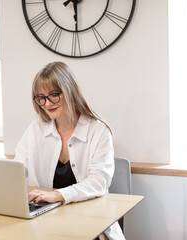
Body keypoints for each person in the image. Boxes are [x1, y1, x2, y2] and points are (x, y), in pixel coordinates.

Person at [14, 61, 125, 240]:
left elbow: (99, 181)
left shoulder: (98, 130)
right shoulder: (36, 129)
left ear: (69, 91)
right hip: (45, 221)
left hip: (90, 222)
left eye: (53, 95)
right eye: (41, 97)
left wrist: (57, 195)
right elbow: (16, 170)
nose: (47, 103)